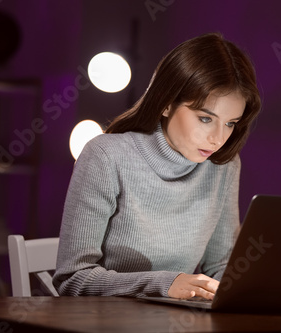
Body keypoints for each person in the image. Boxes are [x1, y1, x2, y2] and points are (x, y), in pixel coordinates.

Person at [53, 32, 261, 300]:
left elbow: (221, 269)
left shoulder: (223, 166)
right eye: (205, 119)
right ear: (165, 103)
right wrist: (165, 283)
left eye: (230, 123)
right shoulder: (105, 156)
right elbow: (72, 279)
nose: (218, 138)